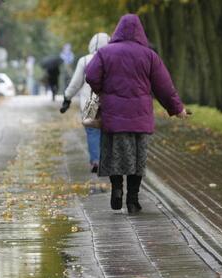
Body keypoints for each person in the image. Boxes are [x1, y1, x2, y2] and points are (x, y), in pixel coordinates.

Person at [86, 14, 188, 214]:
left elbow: (91, 75)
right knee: (137, 160)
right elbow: (164, 87)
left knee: (114, 156)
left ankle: (117, 190)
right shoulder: (149, 55)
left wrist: (102, 90)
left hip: (113, 116)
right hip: (140, 118)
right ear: (141, 31)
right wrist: (177, 109)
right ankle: (133, 201)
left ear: (118, 30)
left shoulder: (105, 53)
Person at [61, 32, 111, 173]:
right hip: (110, 102)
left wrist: (67, 98)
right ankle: (107, 160)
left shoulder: (84, 61)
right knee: (108, 132)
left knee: (92, 131)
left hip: (90, 103)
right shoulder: (113, 58)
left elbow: (75, 83)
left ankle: (96, 160)